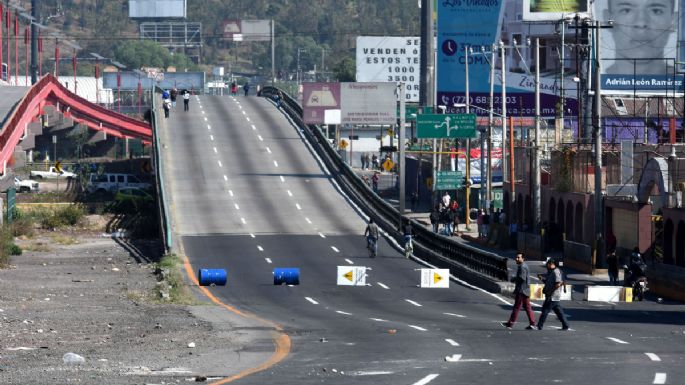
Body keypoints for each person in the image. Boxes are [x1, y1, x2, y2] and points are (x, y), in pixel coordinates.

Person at [602, 0, 676, 75]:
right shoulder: (594, 81)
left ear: (673, 21)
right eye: (626, 10)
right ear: (608, 21)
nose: (641, 23)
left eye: (656, 11)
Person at [501, 253, 537, 330]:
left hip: (522, 290)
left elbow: (522, 278)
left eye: (518, 257)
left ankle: (510, 323)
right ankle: (532, 323)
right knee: (527, 307)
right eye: (516, 257)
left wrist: (514, 278)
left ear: (523, 259)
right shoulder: (524, 266)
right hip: (526, 289)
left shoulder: (522, 267)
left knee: (517, 307)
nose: (516, 259)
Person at [537, 259, 570, 331]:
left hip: (553, 295)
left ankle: (540, 325)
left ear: (553, 264)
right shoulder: (551, 272)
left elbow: (558, 283)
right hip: (552, 295)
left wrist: (550, 291)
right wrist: (542, 278)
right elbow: (548, 282)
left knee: (545, 310)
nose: (547, 265)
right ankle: (565, 325)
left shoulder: (556, 272)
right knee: (558, 311)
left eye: (548, 264)